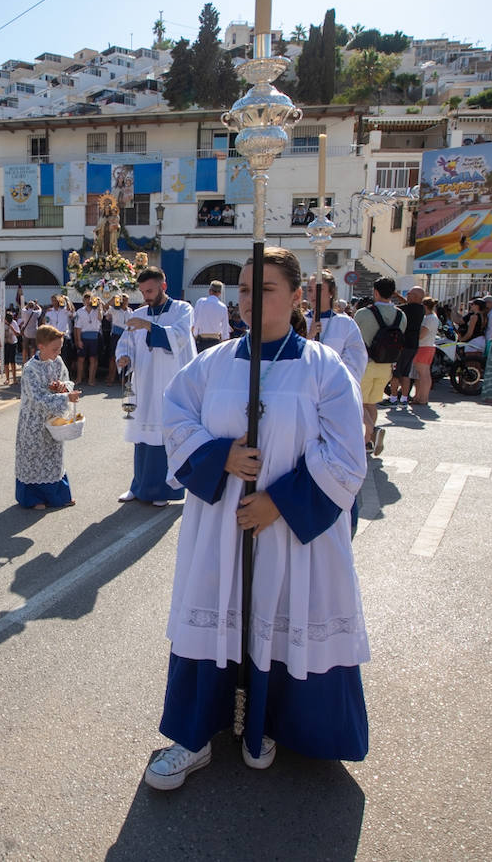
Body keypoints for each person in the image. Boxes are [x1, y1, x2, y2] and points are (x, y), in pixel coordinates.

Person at [143, 247, 369, 791]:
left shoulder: (323, 368)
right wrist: (219, 455)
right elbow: (175, 416)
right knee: (212, 612)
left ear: (296, 298)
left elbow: (346, 455)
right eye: (243, 289)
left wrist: (279, 503)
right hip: (221, 527)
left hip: (291, 535)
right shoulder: (213, 363)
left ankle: (270, 725)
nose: (248, 300)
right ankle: (194, 736)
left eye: (263, 290)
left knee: (282, 616)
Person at [115, 267, 194, 506]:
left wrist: (148, 327)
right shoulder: (139, 313)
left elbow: (179, 338)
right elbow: (125, 343)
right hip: (145, 384)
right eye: (142, 292)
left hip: (170, 384)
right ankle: (138, 486)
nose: (146, 296)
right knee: (142, 433)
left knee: (164, 435)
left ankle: (164, 491)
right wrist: (123, 358)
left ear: (163, 286)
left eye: (149, 290)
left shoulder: (182, 309)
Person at [15, 324, 82, 509]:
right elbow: (37, 397)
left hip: (53, 420)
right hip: (34, 421)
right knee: (34, 457)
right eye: (55, 349)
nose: (58, 352)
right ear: (41, 346)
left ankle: (59, 496)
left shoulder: (58, 361)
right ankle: (33, 498)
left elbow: (68, 379)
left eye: (60, 348)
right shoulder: (30, 369)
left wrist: (64, 386)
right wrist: (65, 396)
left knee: (54, 457)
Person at [353, 277, 407, 456]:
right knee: (371, 403)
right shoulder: (401, 315)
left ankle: (372, 433)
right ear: (392, 293)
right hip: (386, 366)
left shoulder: (363, 313)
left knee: (358, 404)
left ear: (375, 292)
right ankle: (368, 440)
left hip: (365, 364)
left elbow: (353, 337)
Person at [306, 272, 366, 385]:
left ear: (331, 292)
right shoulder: (299, 321)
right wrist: (309, 336)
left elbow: (356, 359)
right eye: (310, 290)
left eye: (319, 289)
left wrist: (331, 379)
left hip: (334, 388)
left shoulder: (346, 323)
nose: (313, 294)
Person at [387, 287, 427, 405]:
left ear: (414, 296)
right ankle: (404, 399)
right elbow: (407, 303)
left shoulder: (407, 309)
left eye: (409, 294)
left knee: (395, 373)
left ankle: (393, 399)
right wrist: (398, 295)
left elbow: (393, 309)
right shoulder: (420, 309)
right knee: (405, 373)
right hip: (413, 345)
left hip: (402, 345)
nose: (407, 295)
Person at [412, 297, 441, 406]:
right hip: (428, 347)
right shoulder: (432, 317)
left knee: (423, 374)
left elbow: (422, 335)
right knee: (423, 374)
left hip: (424, 347)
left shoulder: (429, 318)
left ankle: (423, 398)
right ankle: (419, 396)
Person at [192, 280, 231, 353]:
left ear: (210, 291)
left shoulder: (201, 302)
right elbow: (225, 329)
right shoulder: (223, 307)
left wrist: (194, 335)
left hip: (201, 340)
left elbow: (195, 321)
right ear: (219, 293)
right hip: (215, 341)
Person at [73, 294, 103, 385]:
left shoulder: (97, 310)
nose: (88, 302)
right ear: (83, 301)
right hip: (84, 336)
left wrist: (99, 306)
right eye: (86, 300)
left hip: (94, 336)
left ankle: (91, 379)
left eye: (90, 300)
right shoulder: (80, 311)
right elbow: (77, 327)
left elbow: (100, 318)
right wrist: (78, 340)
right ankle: (79, 378)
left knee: (93, 359)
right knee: (81, 359)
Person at [107, 294, 130, 382]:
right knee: (113, 357)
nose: (124, 301)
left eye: (126, 300)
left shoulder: (130, 311)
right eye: (122, 300)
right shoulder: (114, 309)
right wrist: (112, 300)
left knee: (125, 356)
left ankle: (123, 379)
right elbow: (105, 309)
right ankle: (110, 378)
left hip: (126, 336)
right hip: (116, 335)